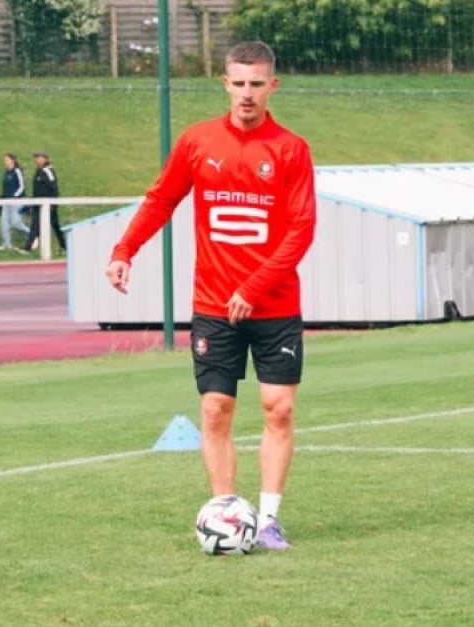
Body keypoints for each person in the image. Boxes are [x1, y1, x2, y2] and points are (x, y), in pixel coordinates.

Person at [104, 41, 316, 550]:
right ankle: (225, 514)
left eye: (257, 83)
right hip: (214, 306)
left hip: (275, 306)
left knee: (278, 409)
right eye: (239, 83)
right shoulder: (198, 142)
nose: (247, 94)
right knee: (217, 408)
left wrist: (254, 286)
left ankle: (267, 521)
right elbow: (161, 199)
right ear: (225, 84)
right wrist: (124, 250)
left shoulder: (290, 149)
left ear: (272, 86)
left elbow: (301, 229)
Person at [23, 151, 66, 253]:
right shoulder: (39, 171)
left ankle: (64, 246)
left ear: (45, 159)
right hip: (38, 204)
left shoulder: (48, 171)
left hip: (49, 205)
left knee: (54, 225)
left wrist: (53, 204)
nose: (36, 160)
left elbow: (54, 187)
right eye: (36, 158)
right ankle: (28, 247)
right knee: (36, 225)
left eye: (38, 157)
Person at [0, 153, 31, 252]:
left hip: (16, 201)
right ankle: (6, 244)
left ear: (13, 160)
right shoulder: (6, 172)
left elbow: (22, 186)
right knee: (4, 223)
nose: (5, 162)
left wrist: (15, 196)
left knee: (16, 222)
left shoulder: (17, 171)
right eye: (4, 160)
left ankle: (32, 235)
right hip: (6, 201)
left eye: (7, 160)